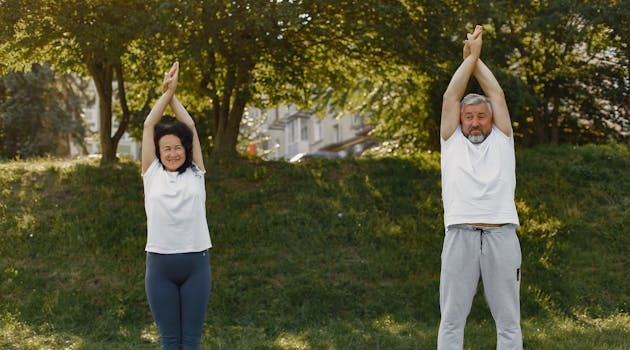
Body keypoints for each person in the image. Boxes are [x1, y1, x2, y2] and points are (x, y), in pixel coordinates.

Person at [438, 25, 523, 350]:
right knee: (451, 320)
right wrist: (469, 60)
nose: (475, 122)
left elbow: (497, 95)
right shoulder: (452, 142)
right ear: (460, 120)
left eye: (481, 116)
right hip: (460, 235)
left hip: (502, 235)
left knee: (508, 322)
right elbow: (451, 97)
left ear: (491, 119)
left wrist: (476, 58)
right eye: (469, 116)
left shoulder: (502, 140)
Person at [142, 61, 212, 350]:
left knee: (191, 341)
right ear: (159, 152)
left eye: (178, 147)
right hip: (160, 266)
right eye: (166, 148)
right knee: (170, 341)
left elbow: (191, 127)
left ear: (186, 149)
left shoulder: (196, 173)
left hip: (196, 264)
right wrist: (165, 96)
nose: (172, 152)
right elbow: (149, 125)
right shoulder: (151, 173)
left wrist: (173, 94)